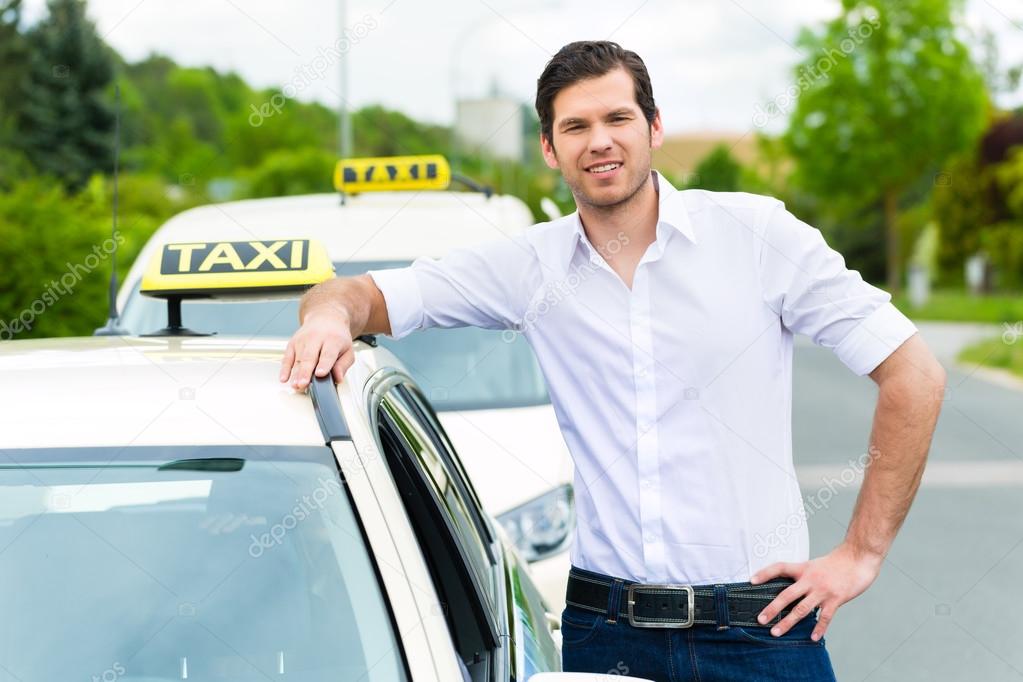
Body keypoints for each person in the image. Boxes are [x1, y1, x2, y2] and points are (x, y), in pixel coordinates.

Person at [280, 40, 946, 681]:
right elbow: (357, 293)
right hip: (607, 634)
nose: (598, 139)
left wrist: (860, 554)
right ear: (549, 148)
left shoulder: (755, 235)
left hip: (760, 632)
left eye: (617, 118)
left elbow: (912, 373)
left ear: (653, 127)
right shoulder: (528, 268)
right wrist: (330, 318)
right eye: (575, 126)